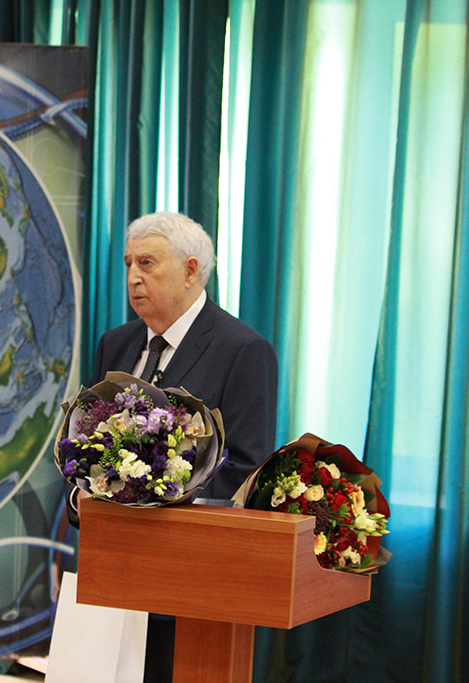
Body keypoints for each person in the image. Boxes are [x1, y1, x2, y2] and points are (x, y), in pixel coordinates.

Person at [86, 211, 279, 683]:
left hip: (191, 577)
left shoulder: (242, 349)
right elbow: (86, 441)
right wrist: (84, 496)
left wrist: (159, 499)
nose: (133, 277)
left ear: (191, 270)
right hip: (113, 568)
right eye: (129, 264)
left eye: (147, 263)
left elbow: (245, 468)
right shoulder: (115, 344)